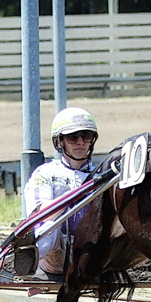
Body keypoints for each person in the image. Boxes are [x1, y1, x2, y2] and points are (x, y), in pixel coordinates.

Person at [19, 107, 100, 279]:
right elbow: (40, 214)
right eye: (72, 137)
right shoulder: (45, 173)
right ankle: (24, 263)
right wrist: (73, 196)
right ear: (60, 142)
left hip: (91, 250)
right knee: (49, 227)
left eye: (86, 136)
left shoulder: (102, 175)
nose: (80, 142)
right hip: (56, 252)